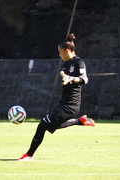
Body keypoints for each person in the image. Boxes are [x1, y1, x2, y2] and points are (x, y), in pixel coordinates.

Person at [18, 33, 95, 161]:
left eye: (60, 52)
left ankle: (29, 155)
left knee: (42, 125)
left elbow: (84, 79)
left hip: (71, 106)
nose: (59, 55)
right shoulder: (66, 64)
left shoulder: (79, 62)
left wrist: (71, 78)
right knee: (54, 125)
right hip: (64, 103)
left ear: (66, 51)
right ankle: (80, 121)